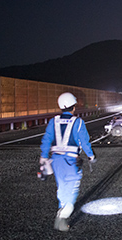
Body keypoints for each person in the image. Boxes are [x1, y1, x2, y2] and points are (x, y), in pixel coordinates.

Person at [40, 92, 96, 232]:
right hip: (71, 161)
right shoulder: (78, 122)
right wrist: (91, 156)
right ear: (74, 107)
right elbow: (84, 141)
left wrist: (43, 158)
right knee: (72, 191)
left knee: (62, 188)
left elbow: (46, 140)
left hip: (56, 160)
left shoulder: (54, 121)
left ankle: (62, 214)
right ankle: (62, 217)